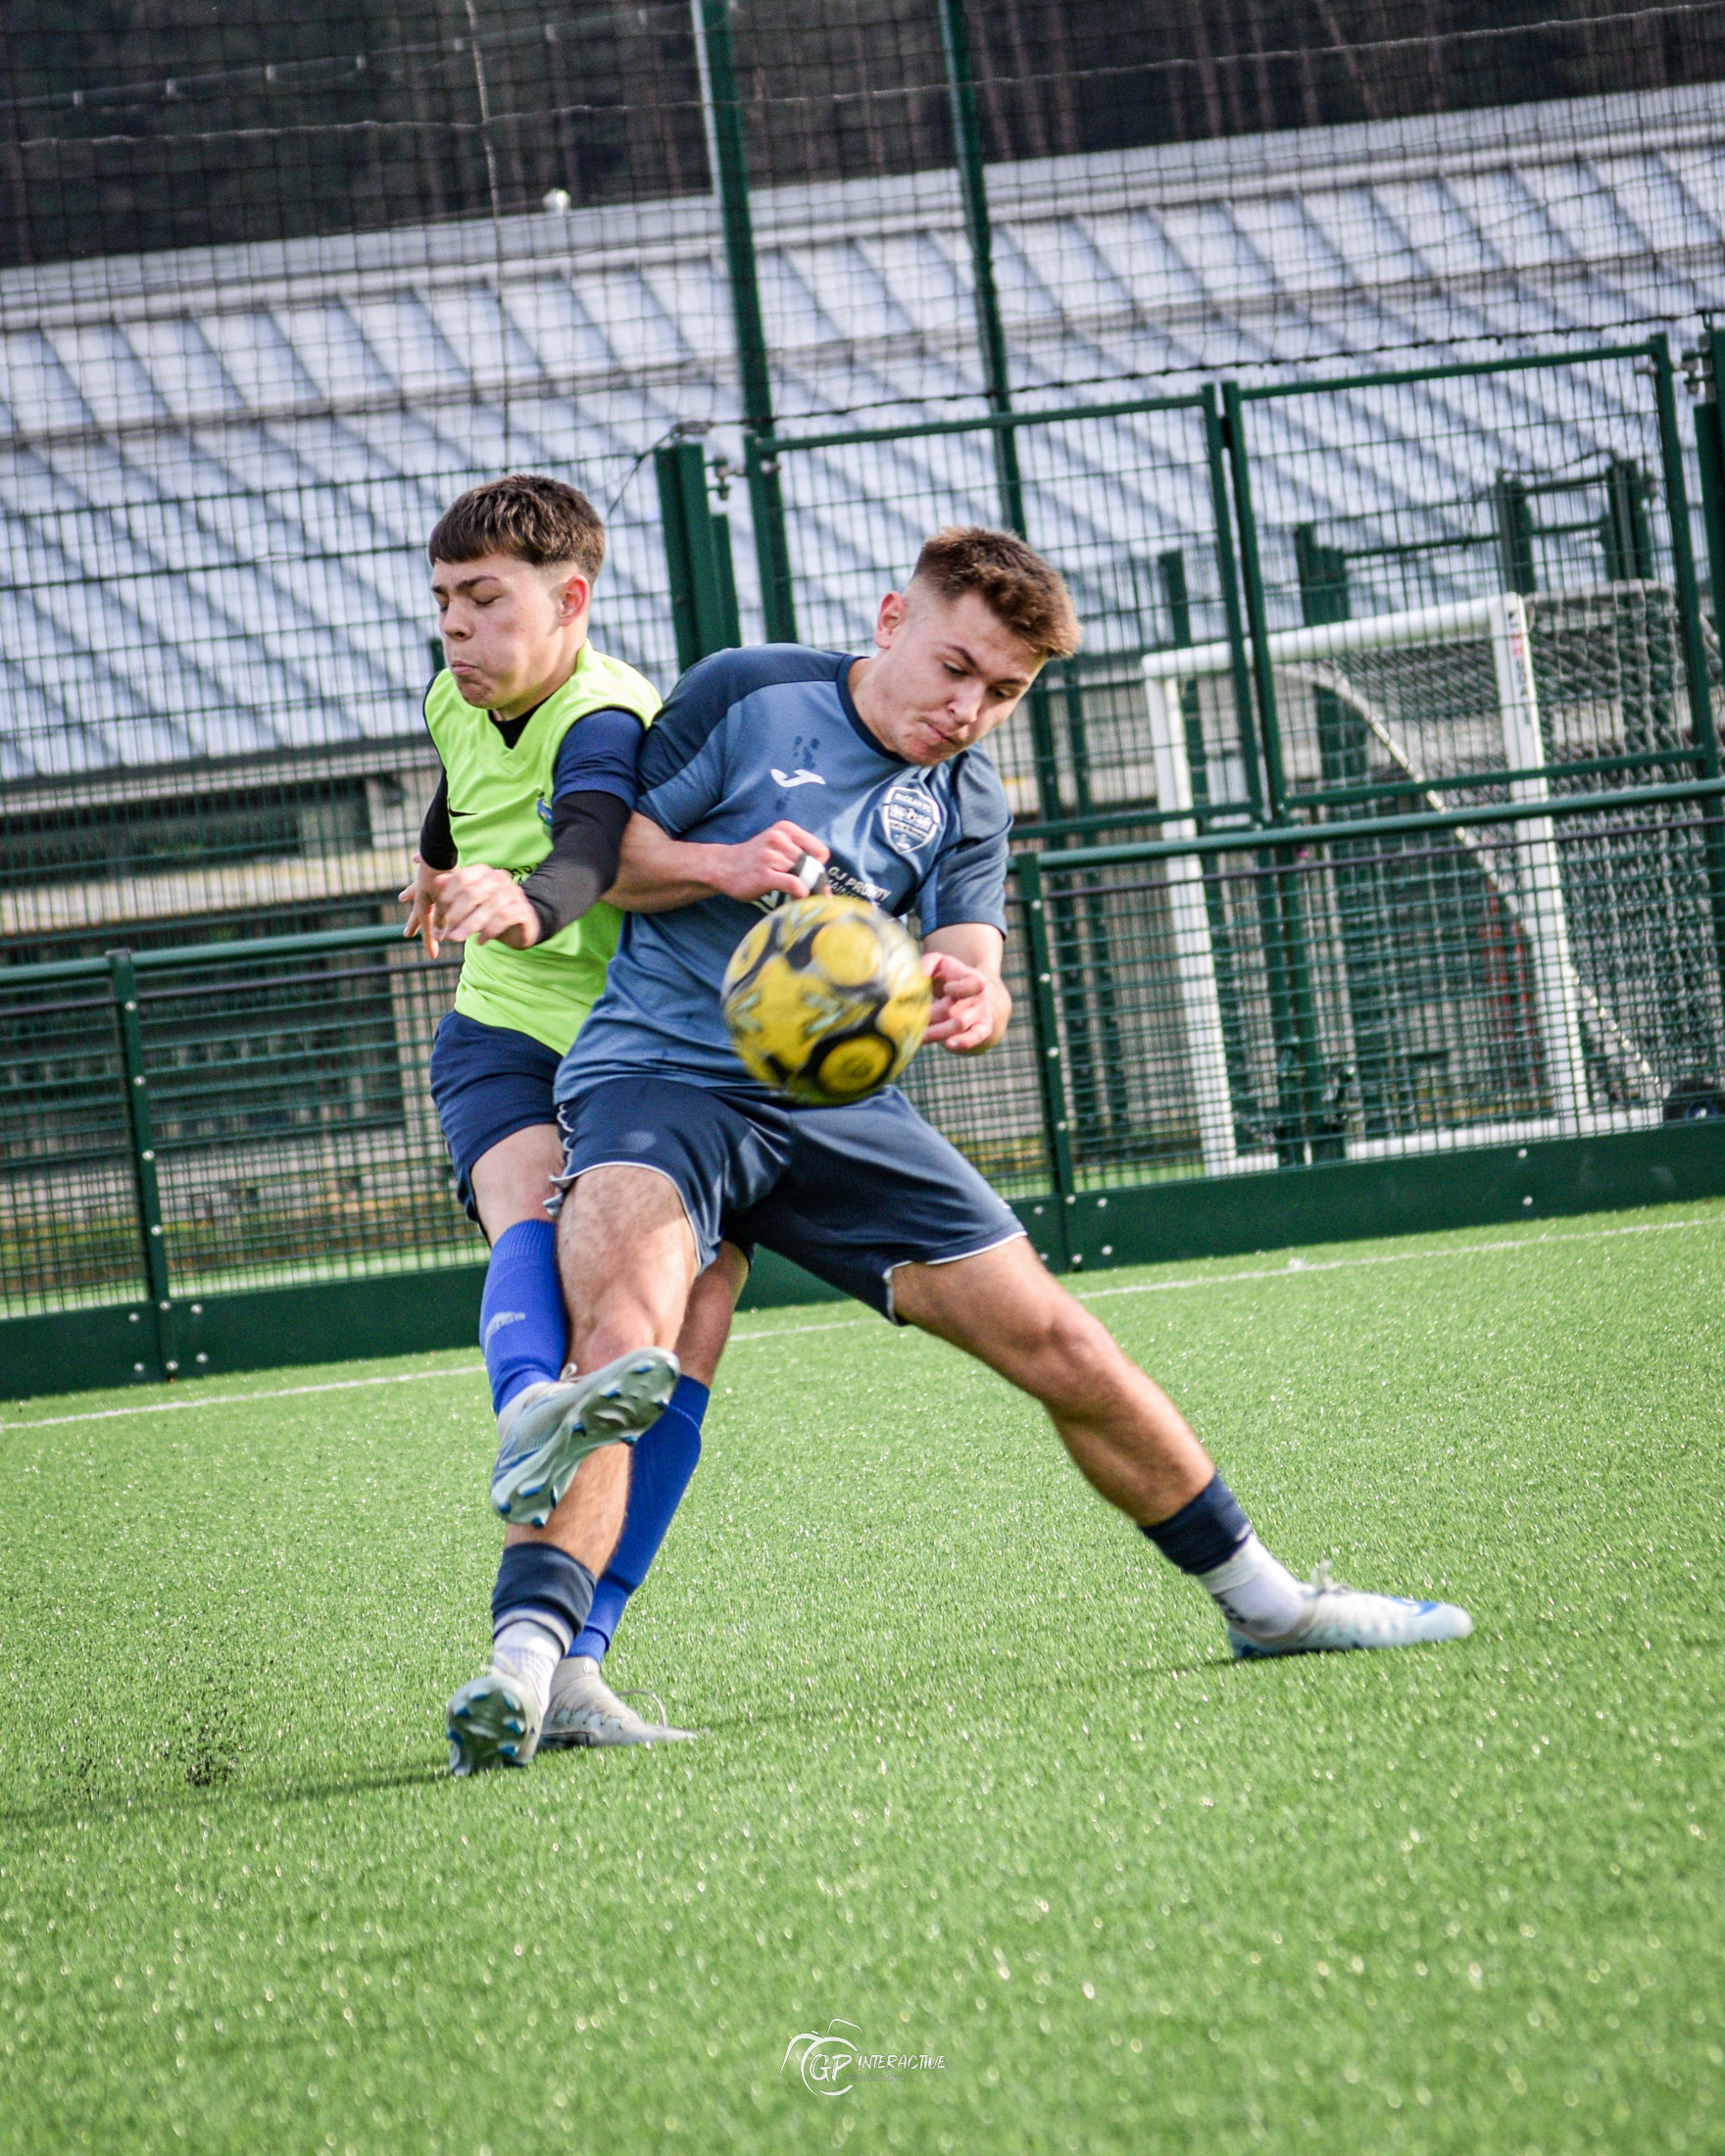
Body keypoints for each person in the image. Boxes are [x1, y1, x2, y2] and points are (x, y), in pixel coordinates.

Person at [492, 524, 1470, 1776]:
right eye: (955, 667)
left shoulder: (967, 796)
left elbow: (972, 958)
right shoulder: (747, 690)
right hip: (660, 1079)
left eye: (1002, 692)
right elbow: (605, 858)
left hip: (838, 1110)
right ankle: (530, 1666)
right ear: (891, 616)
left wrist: (971, 1001)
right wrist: (724, 865)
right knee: (633, 1340)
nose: (968, 709)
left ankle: (1268, 1604)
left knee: (1060, 1341)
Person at [399, 473, 744, 1774]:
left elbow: (590, 838)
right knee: (529, 1202)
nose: (456, 631)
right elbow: (460, 801)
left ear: (572, 601)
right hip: (502, 1036)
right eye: (442, 603)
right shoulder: (455, 694)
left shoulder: (609, 715)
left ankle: (582, 1656)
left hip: (639, 1059)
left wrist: (533, 900)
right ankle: (532, 1406)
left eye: (485, 603)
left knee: (691, 1322)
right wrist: (440, 875)